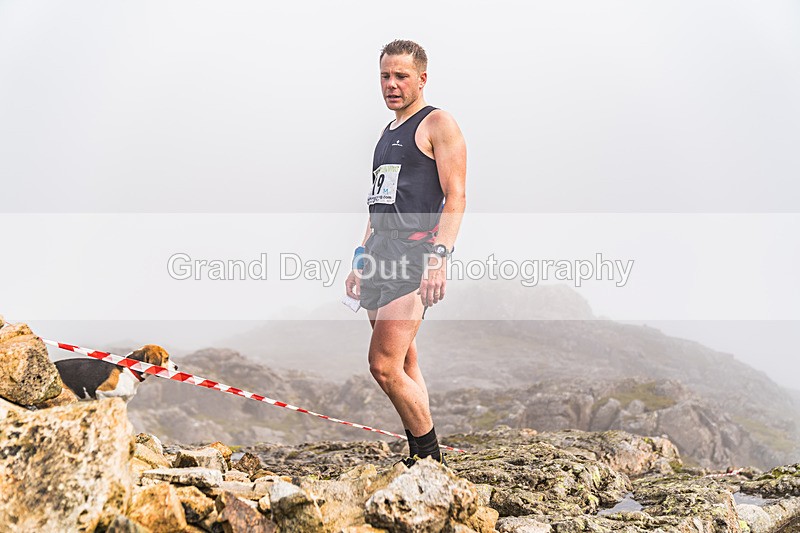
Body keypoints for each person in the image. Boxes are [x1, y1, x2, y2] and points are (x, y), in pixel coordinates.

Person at [344, 39, 467, 465]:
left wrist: (439, 257)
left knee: (382, 363)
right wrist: (360, 260)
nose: (391, 84)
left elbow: (456, 197)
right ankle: (424, 457)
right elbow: (376, 205)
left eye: (401, 76)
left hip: (414, 257)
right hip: (379, 252)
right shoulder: (386, 133)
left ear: (422, 79)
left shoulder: (438, 124)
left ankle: (429, 457)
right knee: (405, 358)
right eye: (385, 76)